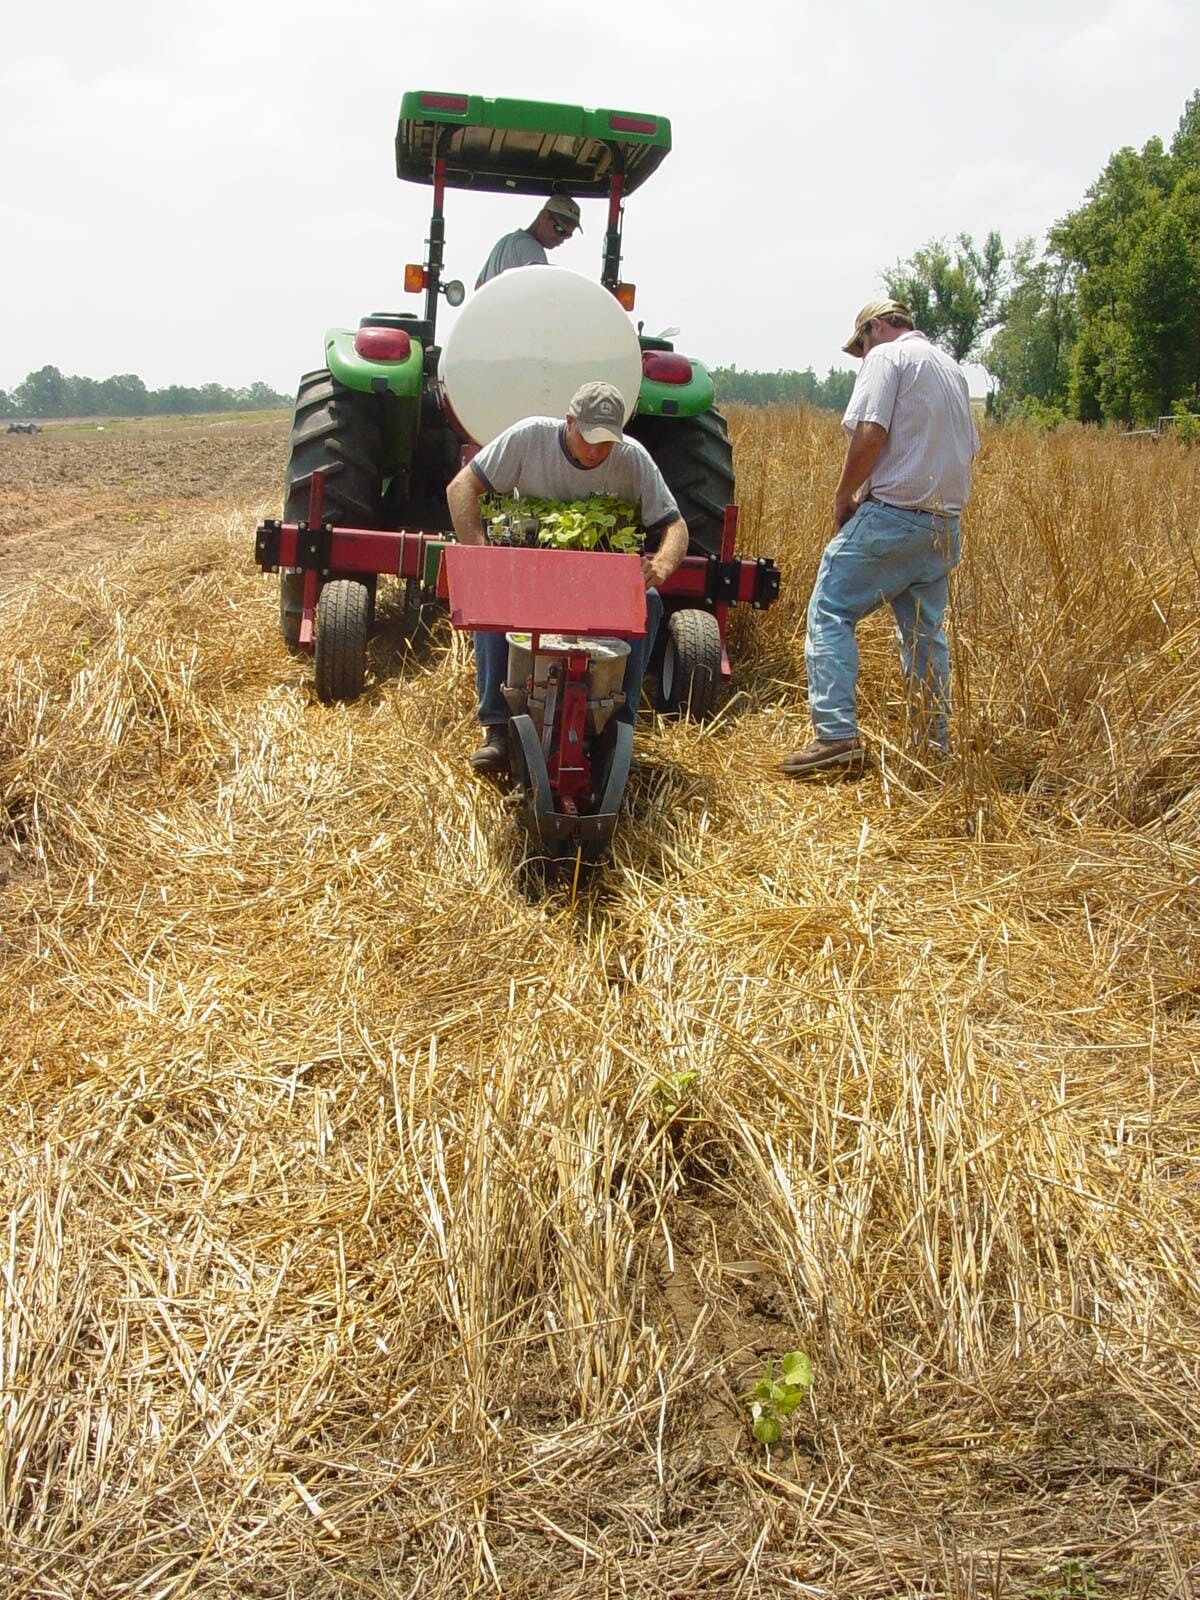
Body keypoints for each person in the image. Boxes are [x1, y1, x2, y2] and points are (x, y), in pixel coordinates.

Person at [780, 297, 981, 779]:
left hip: (895, 515)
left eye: (861, 343)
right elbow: (971, 449)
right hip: (943, 527)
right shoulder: (952, 371)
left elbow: (870, 433)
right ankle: (932, 745)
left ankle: (835, 735)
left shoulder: (887, 357)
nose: (862, 353)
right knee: (924, 636)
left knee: (830, 609)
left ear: (874, 327)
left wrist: (844, 496)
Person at [445, 380, 688, 774]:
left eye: (606, 442)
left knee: (650, 603)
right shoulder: (529, 438)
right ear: (569, 421)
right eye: (588, 439)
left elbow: (675, 525)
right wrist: (481, 553)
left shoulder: (633, 458)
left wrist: (661, 565)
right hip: (531, 570)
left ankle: (618, 727)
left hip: (598, 576)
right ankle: (497, 728)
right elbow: (461, 489)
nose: (596, 451)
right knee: (490, 601)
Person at [475, 194, 582, 288]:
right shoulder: (530, 247)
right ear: (543, 216)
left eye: (567, 235)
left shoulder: (505, 242)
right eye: (559, 230)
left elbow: (478, 285)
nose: (561, 239)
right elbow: (542, 291)